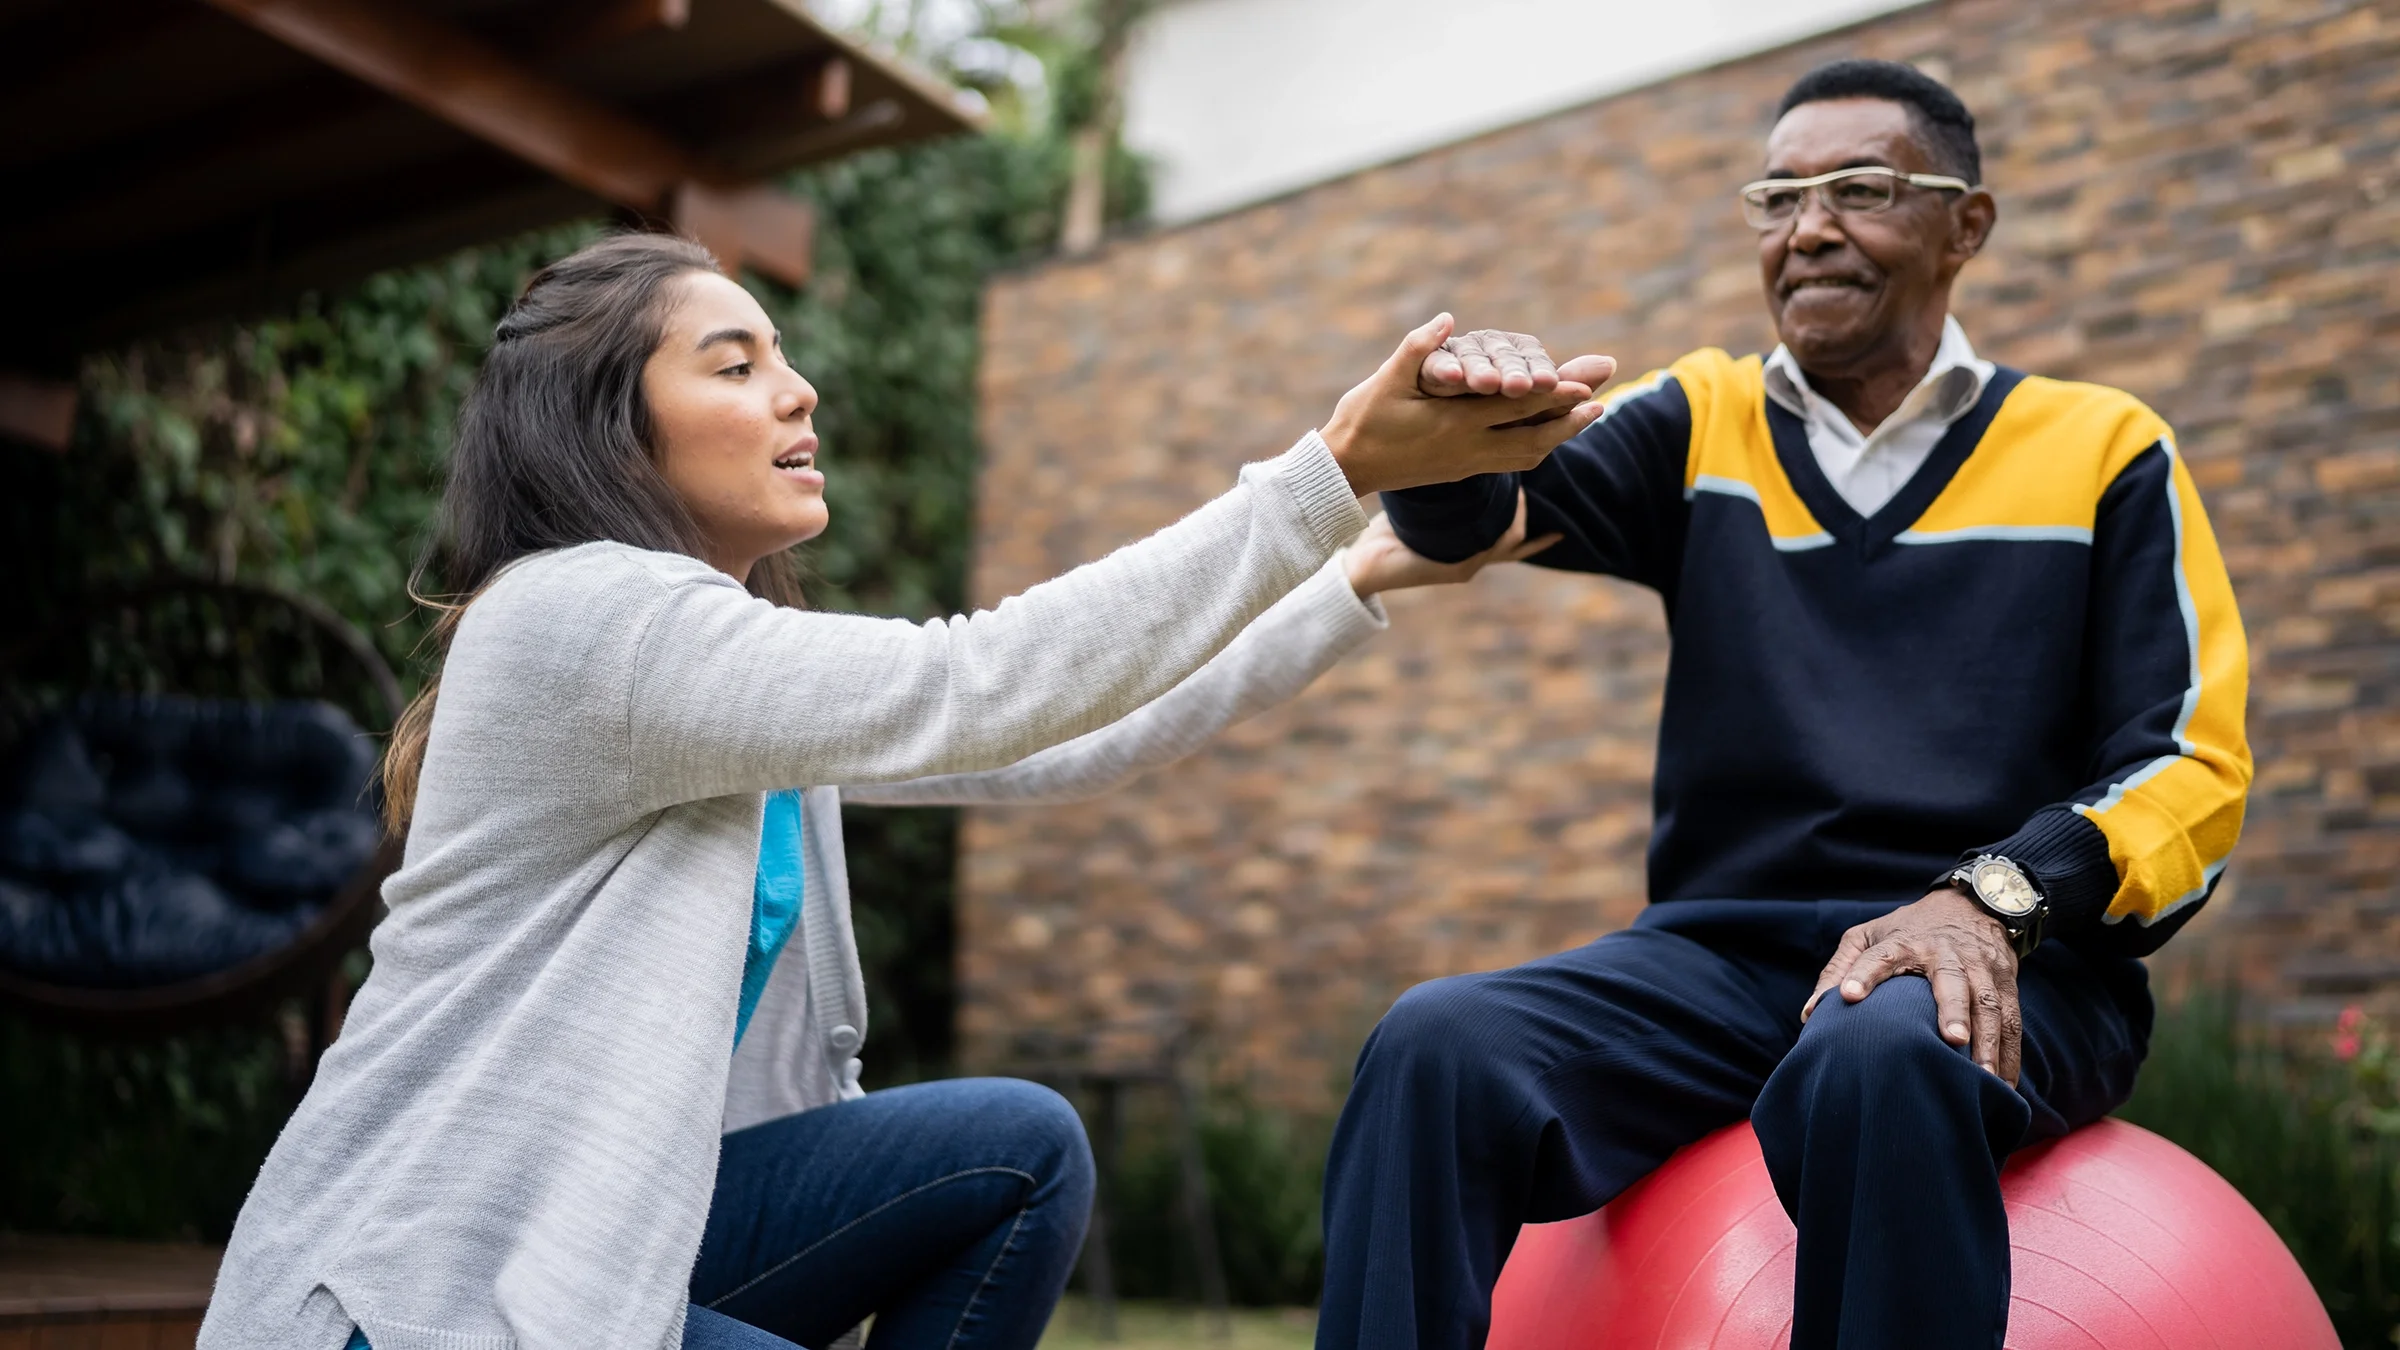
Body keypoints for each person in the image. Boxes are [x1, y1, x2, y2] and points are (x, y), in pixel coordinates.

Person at [196, 233, 1611, 1350]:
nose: (798, 390)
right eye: (735, 364)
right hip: (430, 1288)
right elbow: (977, 678)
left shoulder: (718, 680)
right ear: (612, 431)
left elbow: (1056, 736)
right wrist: (1328, 472)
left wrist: (1350, 573)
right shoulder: (587, 620)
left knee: (1017, 1147)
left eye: (783, 359)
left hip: (604, 1239)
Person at [1323, 59, 2253, 1350]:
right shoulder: (1703, 422)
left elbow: (2192, 767)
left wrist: (1991, 895)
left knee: (1882, 1053)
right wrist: (1449, 439)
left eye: (1860, 188)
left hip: (2004, 968)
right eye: (1777, 197)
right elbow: (1493, 508)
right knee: (1436, 1047)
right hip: (1722, 961)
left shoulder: (2105, 449)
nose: (1807, 226)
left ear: (1964, 225)